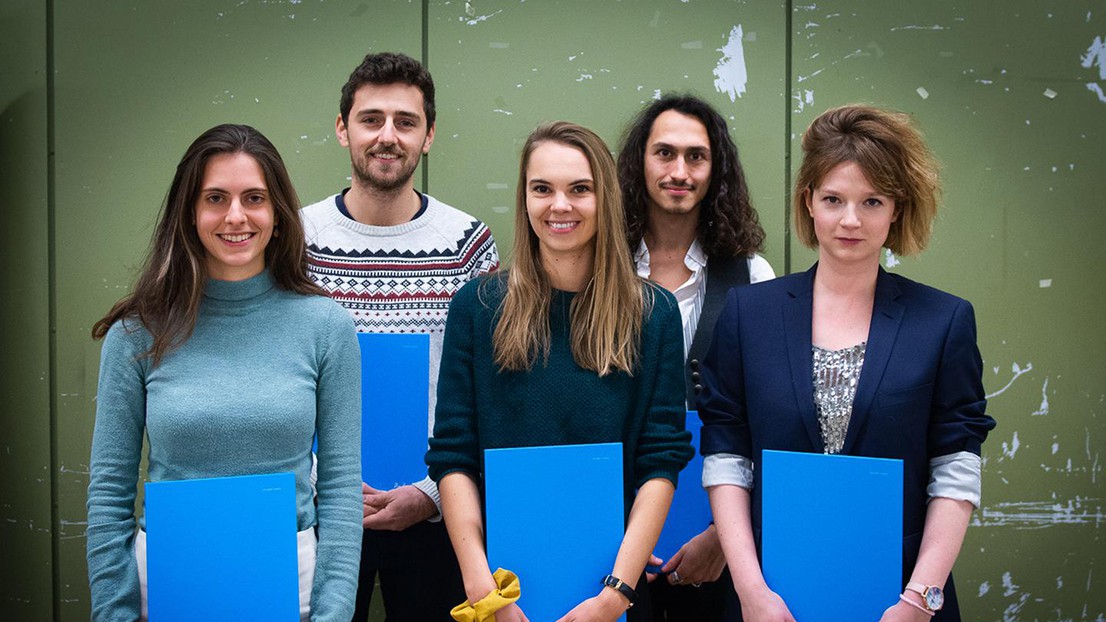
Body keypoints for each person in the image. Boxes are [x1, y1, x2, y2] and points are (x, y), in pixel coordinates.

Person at [698, 104, 996, 621]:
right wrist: (750, 591)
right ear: (808, 202)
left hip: (901, 597)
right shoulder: (750, 313)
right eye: (833, 199)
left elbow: (956, 468)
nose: (851, 220)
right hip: (769, 593)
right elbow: (728, 456)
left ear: (897, 209)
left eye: (872, 201)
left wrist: (919, 601)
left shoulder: (943, 320)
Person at [86, 124, 362, 621]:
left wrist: (333, 613)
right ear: (190, 214)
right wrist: (115, 613)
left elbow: (341, 491)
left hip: (294, 596)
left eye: (254, 197)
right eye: (216, 198)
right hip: (169, 591)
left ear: (277, 214)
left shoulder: (325, 325)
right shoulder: (136, 333)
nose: (236, 216)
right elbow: (109, 495)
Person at [426, 121, 694, 622]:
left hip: (609, 591)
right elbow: (452, 454)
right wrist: (485, 590)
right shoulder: (477, 308)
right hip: (496, 590)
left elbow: (661, 461)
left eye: (580, 189)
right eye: (542, 189)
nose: (560, 206)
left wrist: (616, 595)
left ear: (605, 199)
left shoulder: (653, 315)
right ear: (525, 199)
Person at [300, 51, 499, 621]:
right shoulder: (297, 238)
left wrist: (432, 495)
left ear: (428, 135)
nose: (388, 136)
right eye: (371, 119)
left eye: (406, 122)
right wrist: (324, 487)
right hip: (320, 509)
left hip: (436, 510)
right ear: (343, 129)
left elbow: (486, 387)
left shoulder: (468, 243)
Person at [618, 93, 774, 621]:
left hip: (718, 536)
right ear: (640, 162)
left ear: (716, 169)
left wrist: (723, 538)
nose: (679, 171)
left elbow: (768, 421)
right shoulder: (598, 271)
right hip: (611, 532)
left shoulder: (753, 277)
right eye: (664, 153)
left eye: (696, 156)